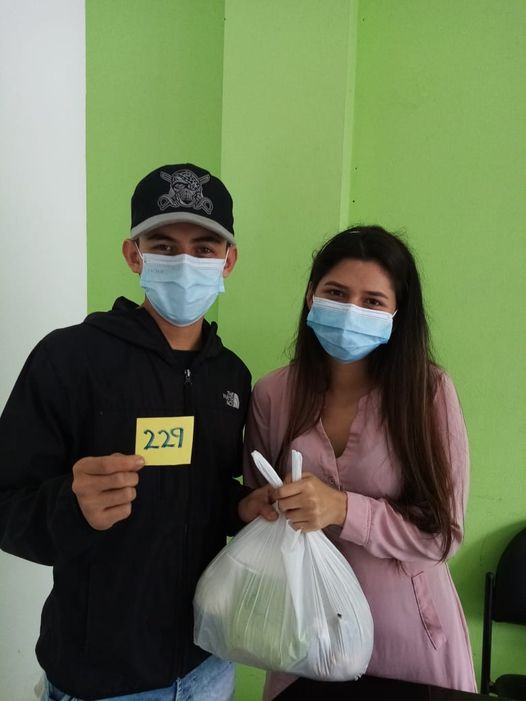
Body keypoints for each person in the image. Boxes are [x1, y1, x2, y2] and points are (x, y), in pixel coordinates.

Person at [0, 163, 276, 701]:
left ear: (228, 261)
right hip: (101, 680)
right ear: (134, 254)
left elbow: (201, 495)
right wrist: (70, 507)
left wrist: (242, 507)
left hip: (209, 662)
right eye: (164, 246)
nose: (185, 263)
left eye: (203, 248)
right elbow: (6, 502)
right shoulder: (69, 359)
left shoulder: (231, 377)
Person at [243, 226, 477, 699]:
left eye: (372, 301)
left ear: (396, 314)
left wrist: (343, 509)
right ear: (311, 296)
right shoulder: (272, 394)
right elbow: (255, 508)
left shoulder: (428, 394)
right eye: (336, 293)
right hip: (305, 637)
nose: (351, 310)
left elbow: (441, 536)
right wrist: (259, 506)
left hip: (410, 643)